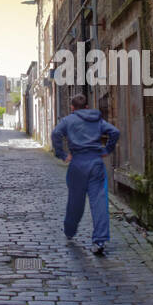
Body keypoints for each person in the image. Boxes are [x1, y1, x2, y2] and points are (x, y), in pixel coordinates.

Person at [51, 93, 119, 255]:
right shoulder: (97, 120)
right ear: (87, 107)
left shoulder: (68, 121)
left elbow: (55, 134)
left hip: (77, 164)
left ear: (72, 108)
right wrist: (107, 149)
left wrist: (61, 154)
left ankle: (70, 230)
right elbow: (114, 132)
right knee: (99, 202)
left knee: (75, 201)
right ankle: (100, 240)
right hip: (96, 163)